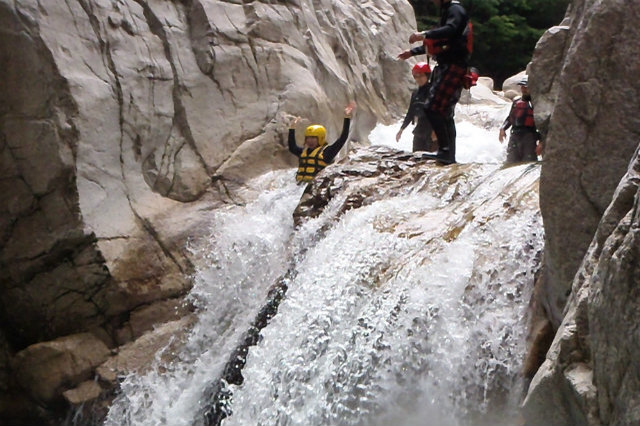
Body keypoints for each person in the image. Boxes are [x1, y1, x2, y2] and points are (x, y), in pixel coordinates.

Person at [397, 0, 471, 164]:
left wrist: (424, 34)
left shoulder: (455, 9)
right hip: (450, 65)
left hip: (453, 65)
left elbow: (450, 31)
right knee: (444, 111)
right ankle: (448, 153)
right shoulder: (449, 10)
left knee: (432, 107)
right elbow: (440, 43)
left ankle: (445, 151)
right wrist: (412, 52)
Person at [288, 102, 357, 182]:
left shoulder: (327, 152)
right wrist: (292, 129)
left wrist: (347, 117)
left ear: (320, 138)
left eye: (313, 138)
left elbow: (342, 138)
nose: (310, 141)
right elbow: (292, 147)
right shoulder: (303, 152)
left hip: (315, 186)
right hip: (299, 187)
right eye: (308, 138)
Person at [396, 62, 438, 153]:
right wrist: (401, 129)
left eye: (421, 76)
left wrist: (436, 130)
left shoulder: (434, 92)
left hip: (432, 131)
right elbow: (410, 113)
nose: (418, 79)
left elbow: (440, 112)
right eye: (416, 76)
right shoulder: (415, 93)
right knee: (416, 157)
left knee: (431, 161)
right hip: (420, 130)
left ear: (427, 76)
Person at [499, 76, 541, 163]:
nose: (524, 89)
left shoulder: (535, 104)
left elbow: (541, 124)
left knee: (529, 160)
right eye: (522, 87)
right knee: (511, 160)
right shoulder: (516, 102)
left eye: (526, 87)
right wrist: (503, 128)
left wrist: (541, 142)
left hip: (529, 135)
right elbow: (510, 118)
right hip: (515, 135)